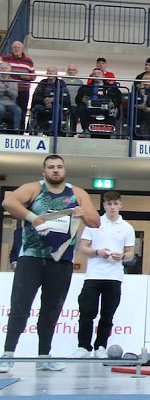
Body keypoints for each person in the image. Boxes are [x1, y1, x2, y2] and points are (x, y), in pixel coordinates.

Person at [0, 155, 100, 372]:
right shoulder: (34, 189)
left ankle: (44, 356)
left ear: (65, 170)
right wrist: (33, 218)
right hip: (31, 257)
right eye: (51, 167)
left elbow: (96, 222)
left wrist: (83, 214)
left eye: (59, 167)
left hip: (61, 260)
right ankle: (7, 354)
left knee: (51, 310)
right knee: (20, 306)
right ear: (43, 171)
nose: (56, 170)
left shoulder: (77, 193)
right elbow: (8, 202)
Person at [72, 191, 135, 358]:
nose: (112, 207)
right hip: (93, 275)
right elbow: (83, 247)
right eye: (109, 204)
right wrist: (97, 252)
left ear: (120, 204)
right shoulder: (94, 223)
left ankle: (100, 346)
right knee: (87, 312)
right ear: (104, 205)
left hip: (114, 276)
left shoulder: (127, 228)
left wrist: (121, 256)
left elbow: (130, 253)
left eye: (115, 204)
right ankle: (83, 347)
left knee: (107, 314)